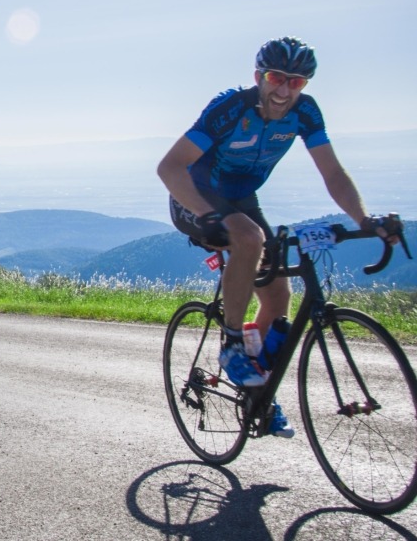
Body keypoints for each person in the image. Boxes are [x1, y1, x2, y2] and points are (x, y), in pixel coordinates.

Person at [157, 36, 397, 439]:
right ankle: (233, 345)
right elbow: (170, 167)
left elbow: (333, 174)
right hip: (195, 196)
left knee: (279, 296)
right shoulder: (230, 109)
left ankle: (259, 391)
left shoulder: (305, 114)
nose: (285, 90)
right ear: (259, 77)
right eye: (276, 78)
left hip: (242, 198)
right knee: (248, 238)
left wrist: (365, 219)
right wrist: (210, 215)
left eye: (297, 82)